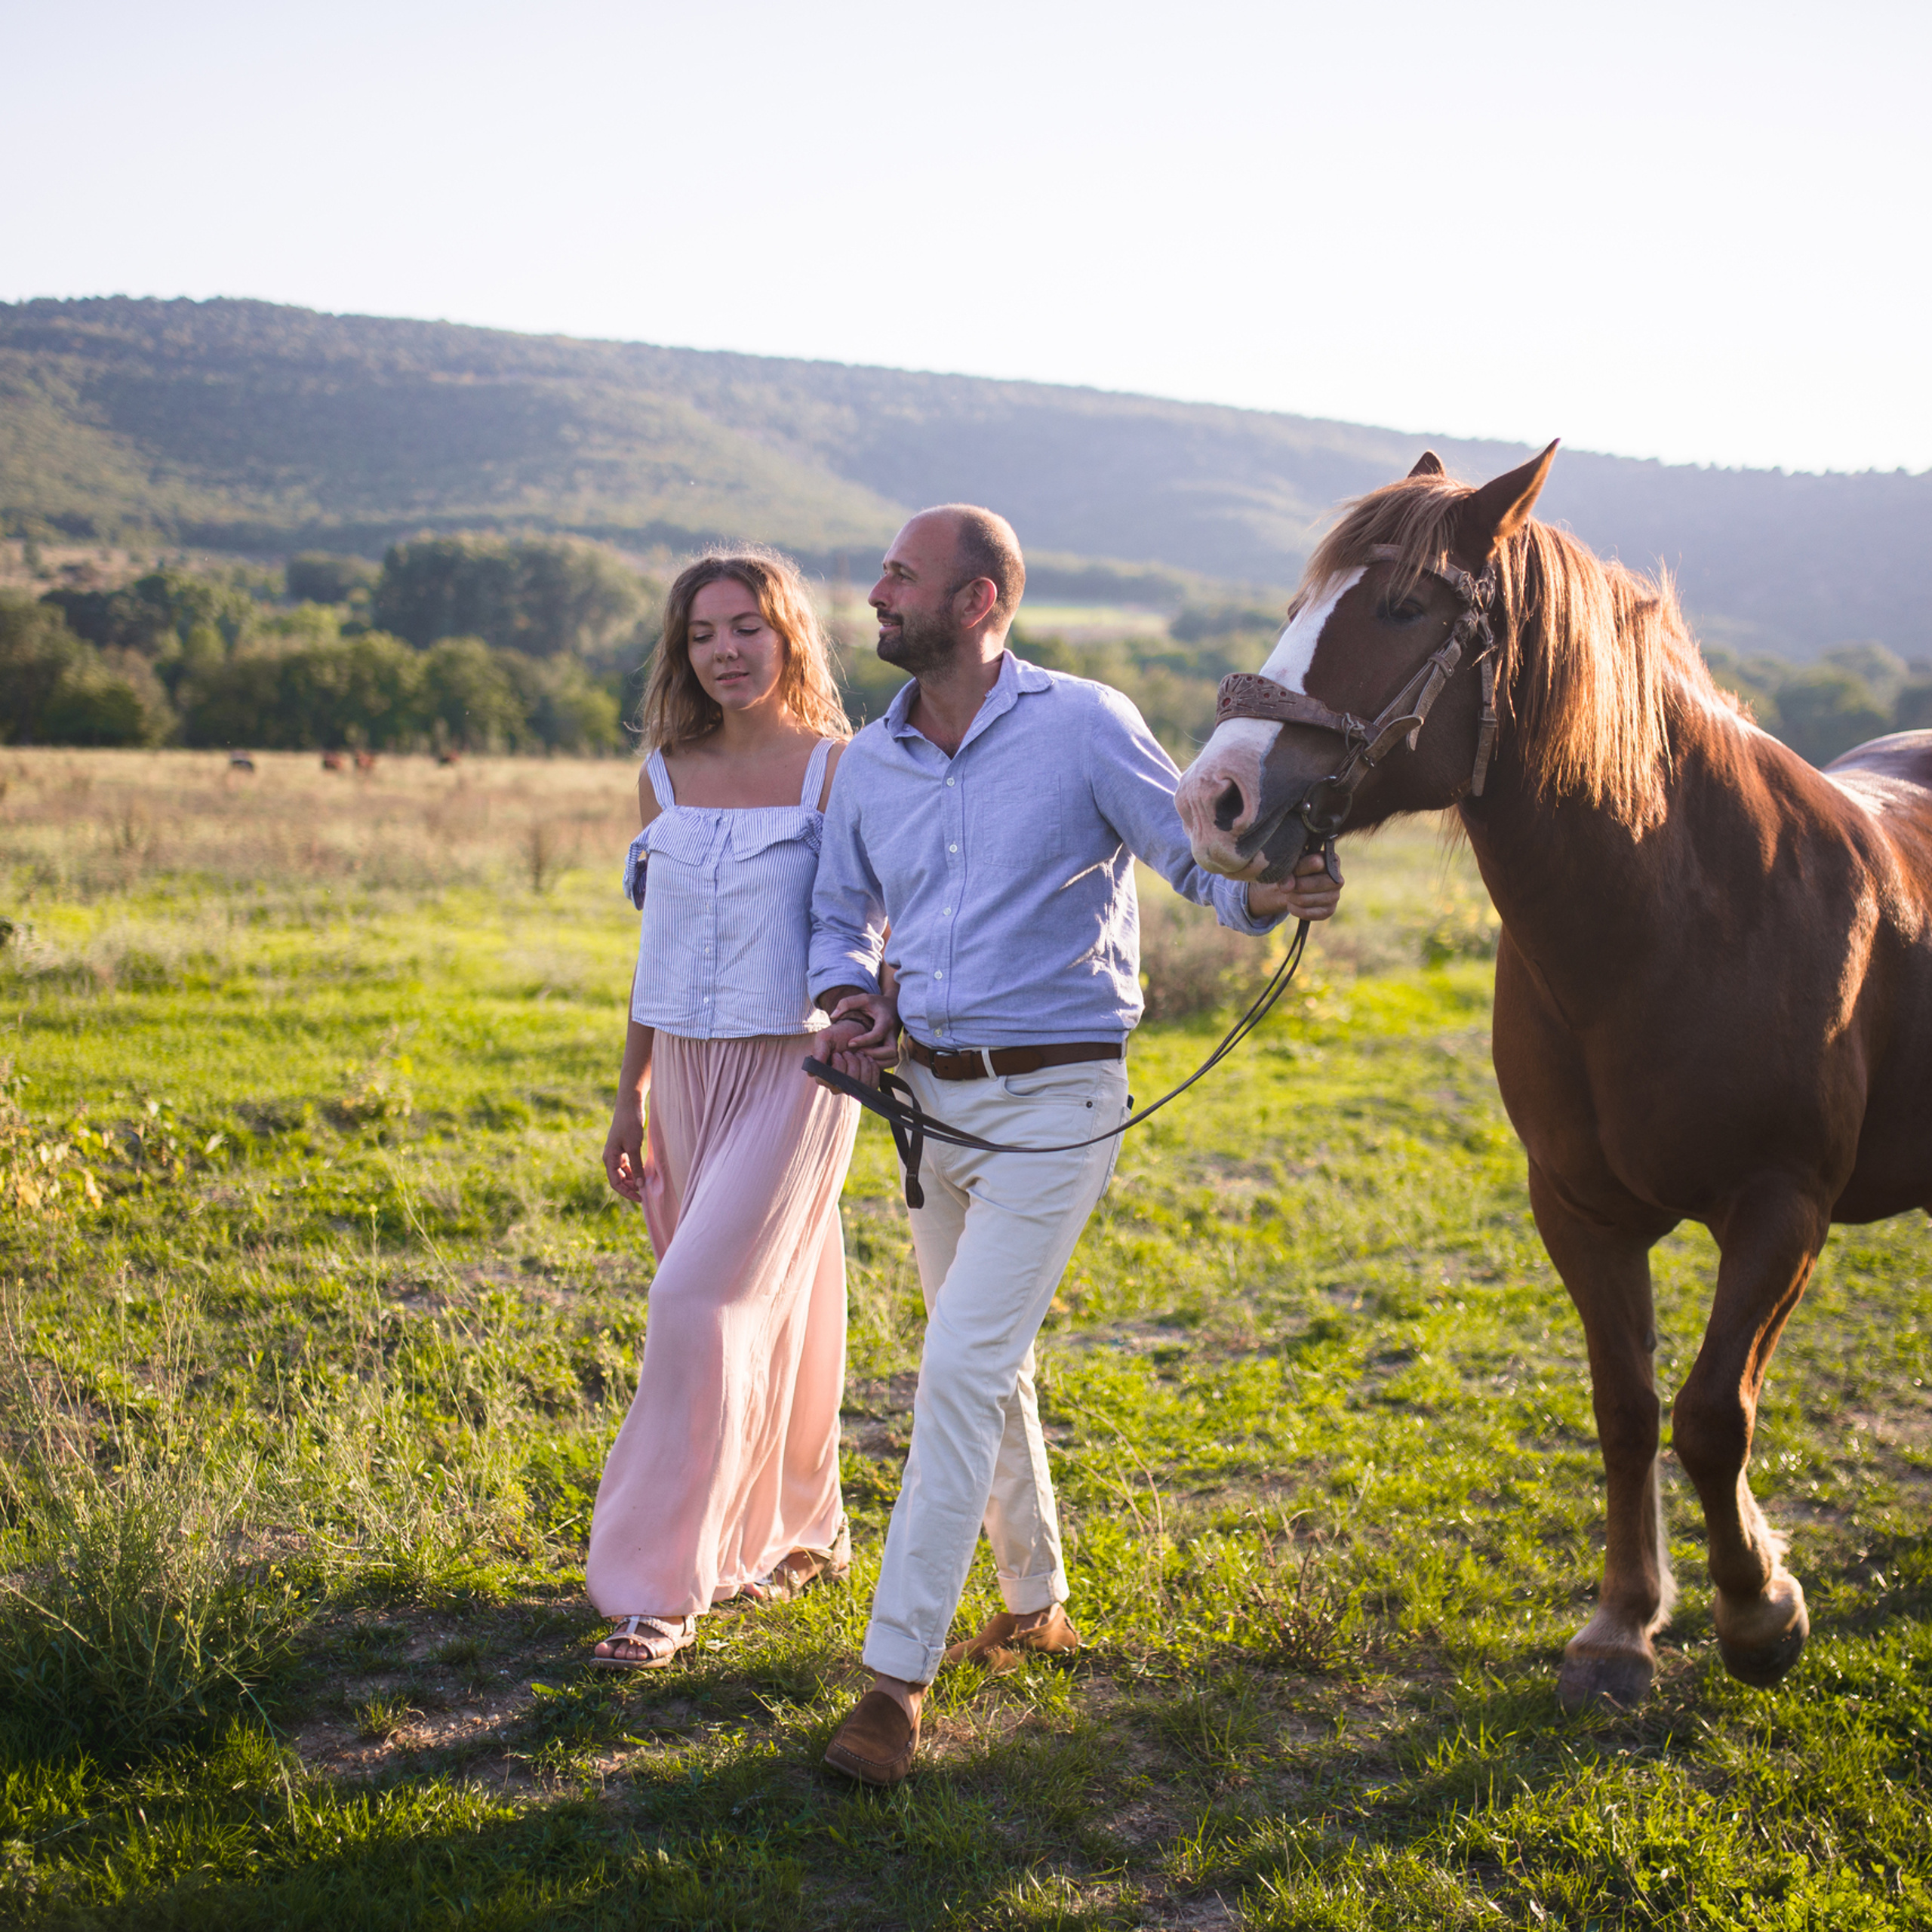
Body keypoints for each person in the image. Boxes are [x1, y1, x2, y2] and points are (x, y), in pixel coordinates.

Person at [808, 505, 1343, 1781]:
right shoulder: (868, 762)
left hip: (1059, 1101)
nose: (878, 594)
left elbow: (1197, 864)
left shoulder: (1087, 722)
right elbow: (839, 914)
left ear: (980, 601)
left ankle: (894, 1682)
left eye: (902, 577)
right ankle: (1038, 1602)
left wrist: (1273, 890)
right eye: (882, 576)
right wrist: (851, 997)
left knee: (957, 1366)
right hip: (927, 1104)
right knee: (987, 1361)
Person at [585, 546, 888, 1669]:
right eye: (702, 634)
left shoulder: (841, 771)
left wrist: (876, 1017)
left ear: (789, 635)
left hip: (802, 1068)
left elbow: (879, 921)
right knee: (779, 1299)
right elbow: (655, 952)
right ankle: (805, 1529)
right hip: (685, 1070)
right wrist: (630, 1094)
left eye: (746, 628)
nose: (725, 652)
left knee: (696, 1302)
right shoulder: (663, 776)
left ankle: (657, 1587)